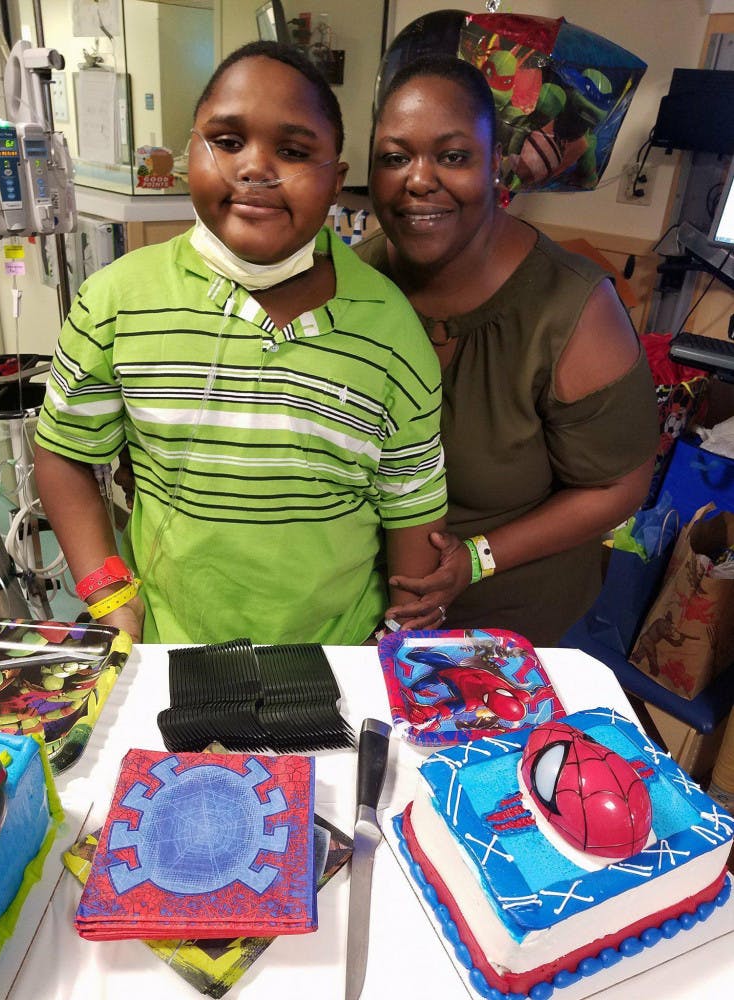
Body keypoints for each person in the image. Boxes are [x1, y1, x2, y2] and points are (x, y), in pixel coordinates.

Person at [34, 41, 447, 645]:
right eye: (227, 142)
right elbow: (66, 453)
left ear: (335, 181)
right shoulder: (117, 302)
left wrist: (396, 650)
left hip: (336, 657)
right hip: (172, 647)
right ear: (187, 157)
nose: (254, 167)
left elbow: (410, 509)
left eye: (293, 150)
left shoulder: (392, 332)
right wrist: (109, 594)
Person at [356, 54, 659, 647]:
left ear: (496, 165)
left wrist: (474, 559)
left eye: (453, 156)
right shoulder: (351, 286)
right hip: (358, 619)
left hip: (511, 634)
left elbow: (618, 486)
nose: (419, 179)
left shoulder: (571, 309)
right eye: (395, 158)